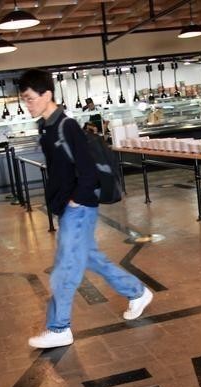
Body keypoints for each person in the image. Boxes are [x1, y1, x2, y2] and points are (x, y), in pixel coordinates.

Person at [18, 69, 153, 349]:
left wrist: (76, 201)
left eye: (30, 98)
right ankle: (137, 292)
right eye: (24, 99)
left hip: (78, 208)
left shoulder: (66, 126)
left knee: (65, 268)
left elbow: (88, 171)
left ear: (47, 94)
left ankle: (59, 328)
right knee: (91, 257)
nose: (26, 105)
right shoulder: (47, 126)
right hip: (67, 206)